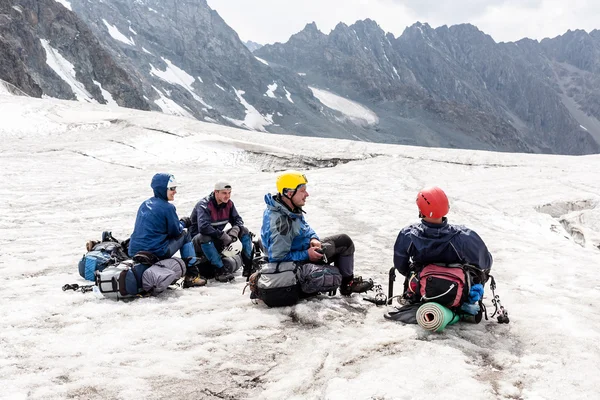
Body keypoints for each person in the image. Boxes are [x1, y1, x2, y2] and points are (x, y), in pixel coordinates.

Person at [261, 171, 373, 297]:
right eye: (302, 191)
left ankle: (347, 284)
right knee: (331, 271)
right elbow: (276, 258)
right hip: (290, 269)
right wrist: (307, 254)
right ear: (289, 193)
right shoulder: (281, 224)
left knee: (344, 242)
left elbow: (305, 228)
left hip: (303, 251)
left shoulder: (289, 207)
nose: (307, 194)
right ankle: (337, 282)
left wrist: (313, 238)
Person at [390, 186, 492, 320]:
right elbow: (485, 263)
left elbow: (400, 265)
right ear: (446, 208)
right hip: (458, 297)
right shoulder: (465, 237)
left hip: (421, 293)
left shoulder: (408, 235)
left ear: (421, 210)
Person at [128, 173, 206, 287]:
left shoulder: (144, 204)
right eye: (172, 188)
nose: (175, 191)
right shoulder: (167, 207)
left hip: (134, 251)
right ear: (162, 189)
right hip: (155, 252)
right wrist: (183, 222)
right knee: (185, 235)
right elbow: (175, 231)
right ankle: (192, 275)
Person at [189, 181, 253, 282]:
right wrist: (222, 235)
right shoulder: (204, 205)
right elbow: (204, 227)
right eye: (224, 193)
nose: (227, 196)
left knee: (244, 230)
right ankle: (220, 270)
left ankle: (249, 267)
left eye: (229, 193)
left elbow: (238, 220)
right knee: (204, 236)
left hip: (215, 239)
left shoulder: (229, 204)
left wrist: (235, 231)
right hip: (198, 244)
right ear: (216, 192)